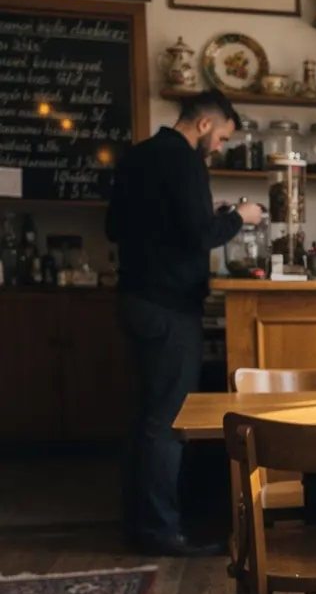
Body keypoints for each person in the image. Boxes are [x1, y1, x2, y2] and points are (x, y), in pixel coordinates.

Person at [106, 90, 262, 557]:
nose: (219, 147)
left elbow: (115, 227)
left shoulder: (137, 156)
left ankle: (139, 522)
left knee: (147, 416)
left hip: (135, 298)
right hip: (169, 305)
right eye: (221, 138)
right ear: (204, 125)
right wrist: (240, 217)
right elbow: (200, 236)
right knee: (167, 421)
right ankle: (161, 531)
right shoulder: (186, 162)